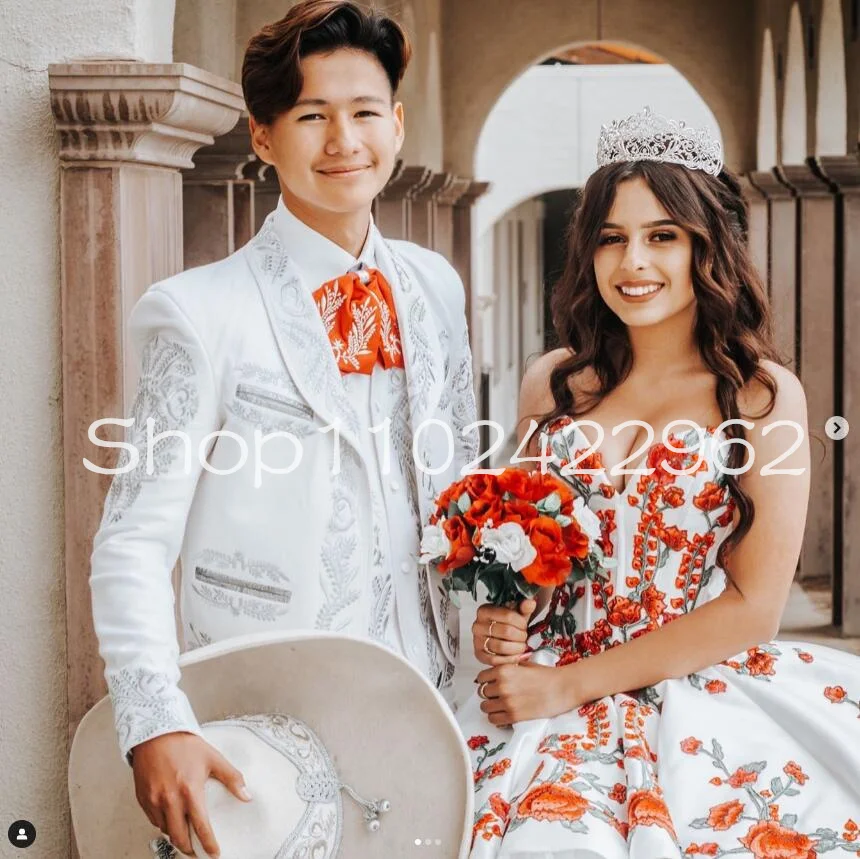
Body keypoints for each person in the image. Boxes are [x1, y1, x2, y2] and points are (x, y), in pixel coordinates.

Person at [88, 2, 476, 855]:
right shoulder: (195, 312)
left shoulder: (435, 289)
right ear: (263, 137)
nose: (344, 139)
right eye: (312, 115)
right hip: (270, 710)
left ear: (397, 125)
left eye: (365, 112)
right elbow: (132, 539)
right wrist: (155, 721)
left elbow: (463, 492)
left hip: (446, 703)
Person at [457, 107, 860, 857]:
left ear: (708, 245)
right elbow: (534, 561)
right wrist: (505, 617)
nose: (632, 262)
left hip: (691, 682)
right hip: (543, 677)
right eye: (612, 238)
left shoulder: (761, 396)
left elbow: (753, 609)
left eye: (661, 236)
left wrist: (569, 688)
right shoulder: (556, 382)